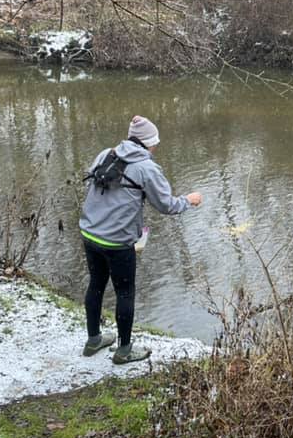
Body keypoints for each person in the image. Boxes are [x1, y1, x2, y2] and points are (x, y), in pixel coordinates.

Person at [79, 115, 202, 364]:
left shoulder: (106, 154)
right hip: (117, 243)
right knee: (125, 293)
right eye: (155, 142)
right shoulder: (146, 168)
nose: (156, 147)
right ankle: (124, 351)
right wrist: (189, 201)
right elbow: (166, 205)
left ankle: (93, 341)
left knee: (96, 284)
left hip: (90, 233)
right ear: (148, 143)